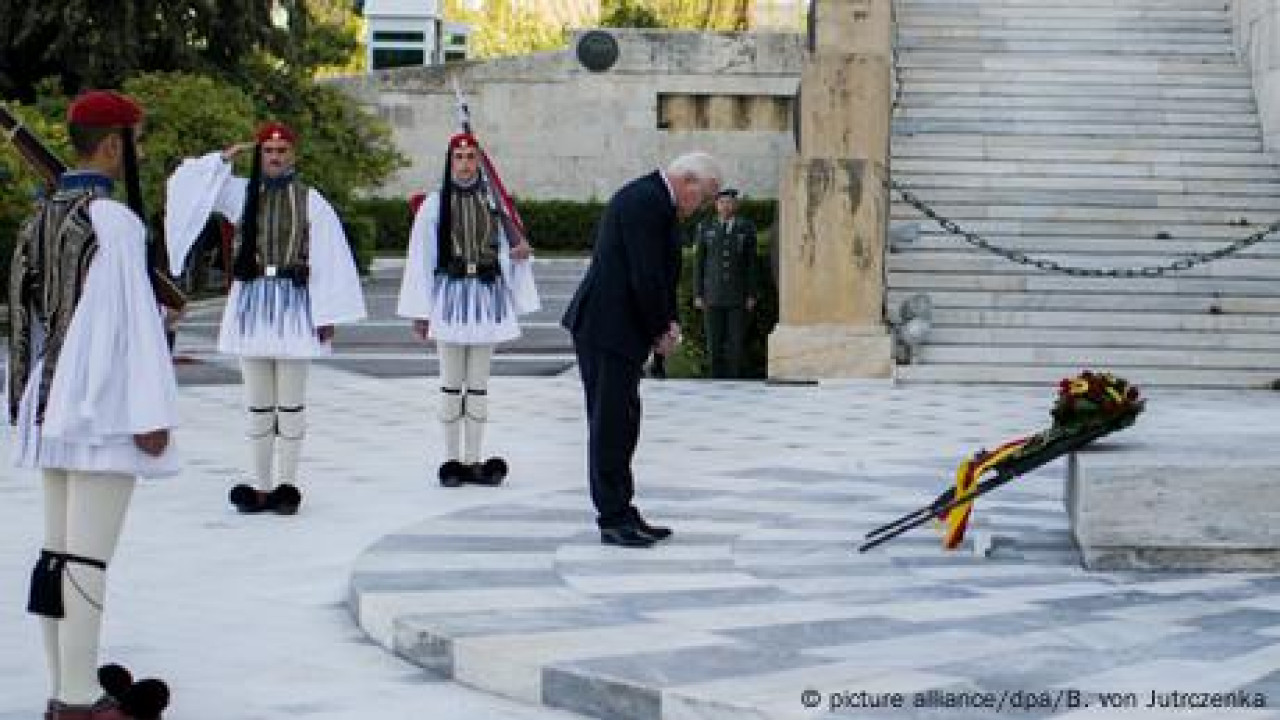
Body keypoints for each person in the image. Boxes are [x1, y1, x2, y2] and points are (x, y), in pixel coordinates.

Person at [9, 90, 176, 720]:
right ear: (113, 145)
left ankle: (65, 686)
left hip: (50, 402)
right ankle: (81, 701)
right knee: (85, 557)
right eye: (138, 139)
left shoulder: (43, 213)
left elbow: (25, 318)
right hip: (100, 409)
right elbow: (133, 326)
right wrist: (151, 413)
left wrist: (25, 399)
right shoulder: (113, 223)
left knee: (57, 553)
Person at [164, 122, 366, 514]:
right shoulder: (240, 193)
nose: (274, 157)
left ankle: (287, 485)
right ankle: (260, 484)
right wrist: (221, 159)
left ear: (294, 155)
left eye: (281, 150)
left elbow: (330, 257)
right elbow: (185, 184)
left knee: (290, 404)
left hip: (293, 305)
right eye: (268, 151)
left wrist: (327, 314)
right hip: (251, 304)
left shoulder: (311, 200)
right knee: (257, 404)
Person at [561, 153, 722, 548]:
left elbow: (658, 274)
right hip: (606, 329)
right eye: (702, 198)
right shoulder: (644, 201)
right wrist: (660, 330)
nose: (699, 209)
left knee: (623, 421)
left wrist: (666, 321)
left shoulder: (654, 199)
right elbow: (644, 274)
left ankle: (622, 509)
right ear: (688, 181)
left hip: (618, 330)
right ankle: (612, 517)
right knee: (610, 424)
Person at [397, 132, 540, 486]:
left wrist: (517, 255)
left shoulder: (496, 203)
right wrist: (421, 310)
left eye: (470, 157)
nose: (464, 164)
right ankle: (451, 460)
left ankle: (474, 459)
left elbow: (510, 247)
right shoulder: (435, 204)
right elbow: (421, 259)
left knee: (477, 385)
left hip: (485, 297)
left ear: (480, 161)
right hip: (450, 297)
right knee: (450, 384)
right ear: (450, 161)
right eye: (458, 157)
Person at [693, 188, 757, 379]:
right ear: (716, 205)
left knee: (736, 343)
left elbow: (751, 264)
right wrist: (698, 293)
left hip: (737, 295)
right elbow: (699, 263)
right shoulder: (706, 228)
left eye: (730, 202)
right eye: (722, 202)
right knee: (714, 343)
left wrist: (751, 294)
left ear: (736, 205)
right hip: (712, 295)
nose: (726, 206)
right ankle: (716, 380)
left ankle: (734, 381)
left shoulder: (746, 228)